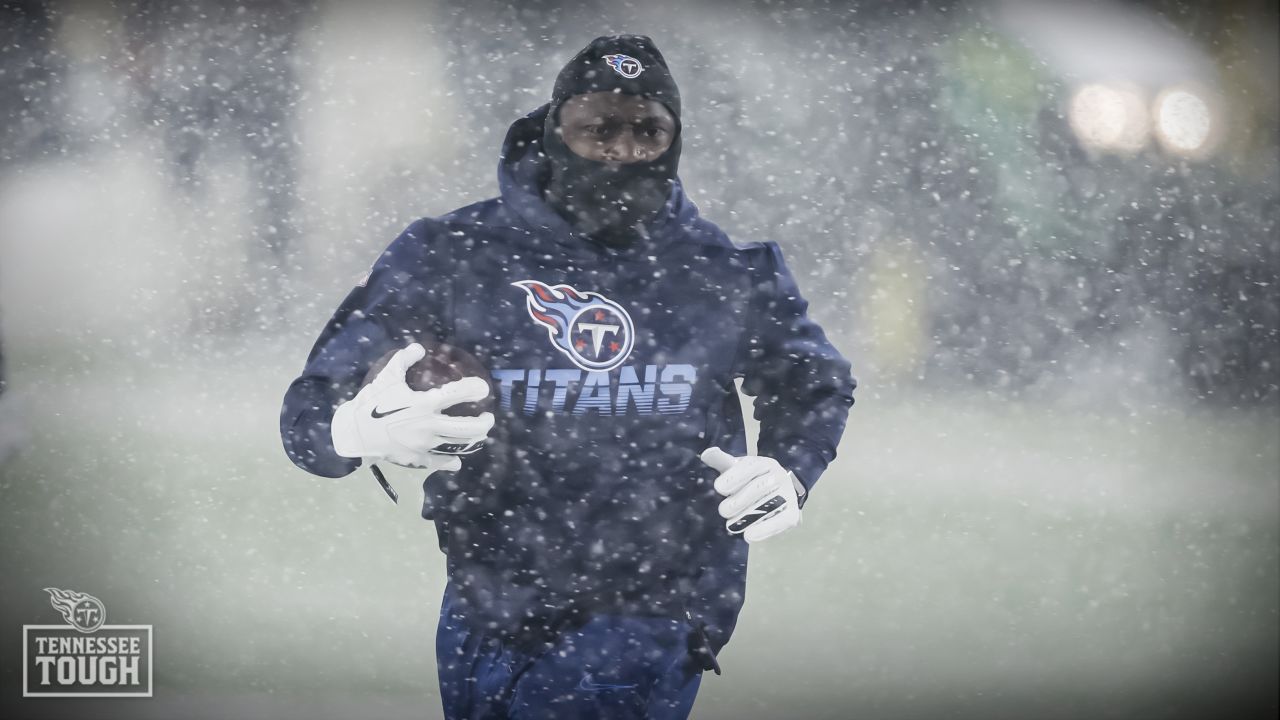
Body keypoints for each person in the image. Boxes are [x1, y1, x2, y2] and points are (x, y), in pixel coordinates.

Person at [281, 35, 855, 719]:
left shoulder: (724, 271)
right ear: (554, 132)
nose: (621, 149)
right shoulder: (453, 252)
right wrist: (354, 428)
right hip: (483, 602)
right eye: (599, 128)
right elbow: (308, 414)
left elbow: (815, 381)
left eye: (648, 131)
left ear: (675, 142)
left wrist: (789, 471)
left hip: (649, 610)